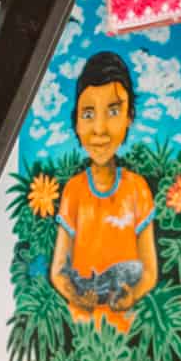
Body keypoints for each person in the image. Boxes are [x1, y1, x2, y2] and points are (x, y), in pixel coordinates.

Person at [50, 52, 157, 334]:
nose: (99, 129)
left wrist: (131, 296)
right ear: (76, 122)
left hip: (125, 331)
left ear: (129, 116)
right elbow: (58, 270)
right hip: (81, 329)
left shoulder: (137, 189)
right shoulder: (74, 190)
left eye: (113, 111)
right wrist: (76, 296)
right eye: (88, 114)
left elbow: (149, 272)